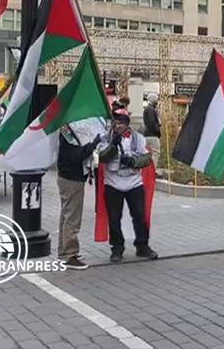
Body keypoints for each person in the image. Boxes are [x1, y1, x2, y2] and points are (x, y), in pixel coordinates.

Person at [98, 109, 158, 262]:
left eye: (121, 123)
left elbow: (146, 159)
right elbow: (102, 157)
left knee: (139, 215)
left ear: (126, 124)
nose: (117, 126)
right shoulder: (106, 137)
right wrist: (113, 146)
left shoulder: (138, 138)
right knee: (114, 218)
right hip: (113, 183)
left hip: (133, 182)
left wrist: (132, 162)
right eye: (115, 123)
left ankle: (142, 246)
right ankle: (117, 248)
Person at [56, 125, 102, 269]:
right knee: (72, 218)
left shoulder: (66, 131)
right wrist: (93, 144)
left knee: (66, 215)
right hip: (72, 179)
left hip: (66, 176)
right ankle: (69, 254)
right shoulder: (69, 136)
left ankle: (63, 251)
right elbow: (77, 156)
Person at [143, 92, 162, 169]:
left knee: (148, 153)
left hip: (147, 134)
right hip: (153, 135)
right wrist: (157, 131)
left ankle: (147, 170)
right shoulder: (151, 110)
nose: (157, 101)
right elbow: (152, 123)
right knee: (155, 152)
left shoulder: (147, 109)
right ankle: (153, 170)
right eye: (156, 99)